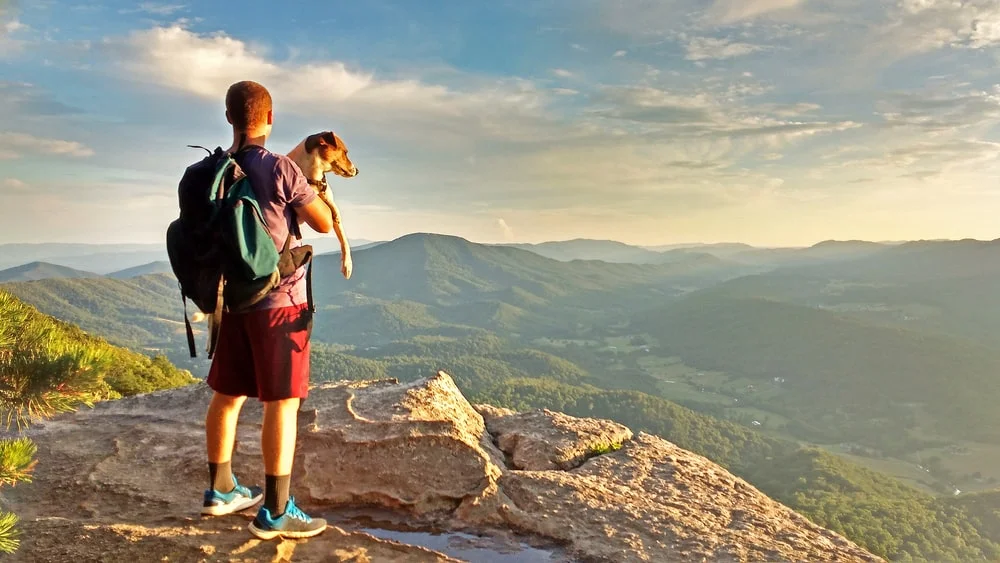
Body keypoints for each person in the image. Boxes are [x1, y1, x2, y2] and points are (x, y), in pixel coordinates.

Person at [198, 80, 340, 540]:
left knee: (228, 394)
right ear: (270, 119)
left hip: (233, 300)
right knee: (282, 402)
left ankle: (221, 490)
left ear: (229, 118)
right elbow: (320, 222)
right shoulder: (280, 168)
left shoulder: (213, 169)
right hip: (279, 303)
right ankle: (277, 512)